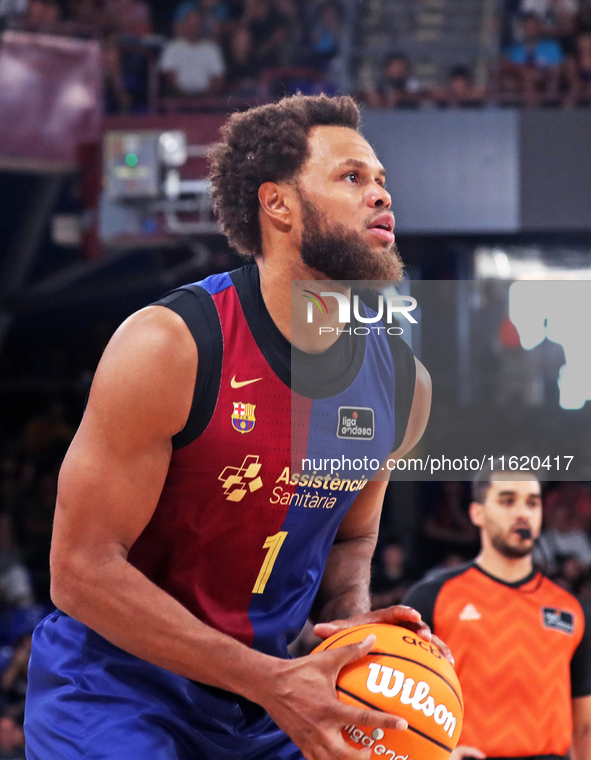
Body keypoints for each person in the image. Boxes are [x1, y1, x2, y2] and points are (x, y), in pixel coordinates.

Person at [24, 94, 441, 760]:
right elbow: (79, 572)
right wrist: (272, 682)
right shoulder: (170, 346)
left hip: (264, 695)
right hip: (116, 687)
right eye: (351, 178)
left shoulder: (401, 381)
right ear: (277, 204)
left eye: (382, 182)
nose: (380, 197)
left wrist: (348, 620)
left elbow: (352, 535)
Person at [404, 465, 591, 760]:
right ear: (477, 513)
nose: (522, 513)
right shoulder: (431, 596)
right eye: (507, 500)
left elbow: (584, 728)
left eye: (532, 502)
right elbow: (397, 703)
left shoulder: (573, 610)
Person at [159, 2, 225, 96]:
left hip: (206, 99)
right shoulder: (172, 47)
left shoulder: (211, 48)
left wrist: (206, 97)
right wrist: (185, 96)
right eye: (191, 22)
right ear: (184, 24)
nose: (194, 26)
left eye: (197, 22)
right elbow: (169, 76)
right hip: (178, 98)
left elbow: (218, 78)